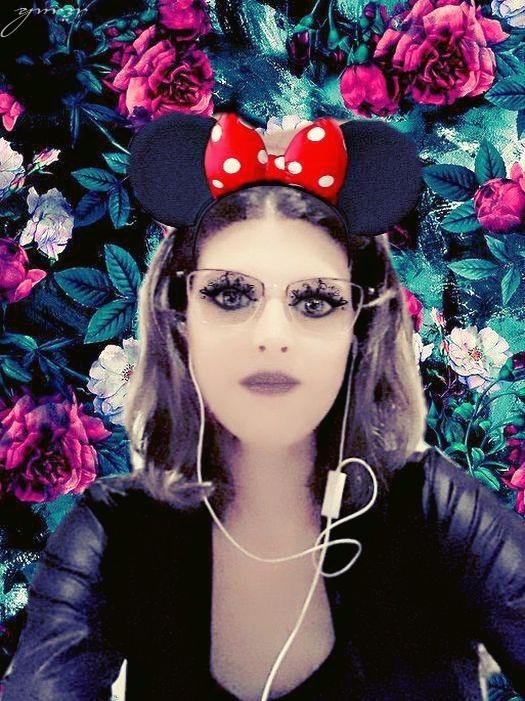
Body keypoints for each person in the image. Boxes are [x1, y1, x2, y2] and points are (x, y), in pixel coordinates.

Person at [3, 112, 525, 701]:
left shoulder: (436, 509)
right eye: (230, 295)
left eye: (315, 301)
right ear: (180, 320)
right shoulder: (113, 532)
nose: (272, 334)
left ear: (359, 326)